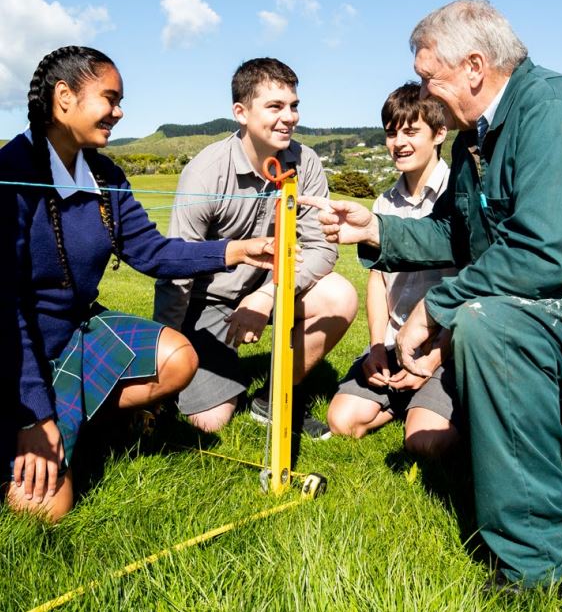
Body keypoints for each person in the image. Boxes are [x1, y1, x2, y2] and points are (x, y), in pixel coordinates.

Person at [302, 0, 562, 594]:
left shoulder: (555, 111)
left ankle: (539, 571)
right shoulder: (473, 144)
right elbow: (458, 236)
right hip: (555, 304)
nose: (424, 91)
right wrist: (377, 231)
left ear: (473, 66)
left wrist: (437, 310)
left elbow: (545, 250)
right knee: (553, 474)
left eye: (428, 77)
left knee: (488, 327)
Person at [0, 46, 276, 521]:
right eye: (110, 98)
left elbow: (150, 252)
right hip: (14, 354)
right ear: (64, 97)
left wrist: (233, 250)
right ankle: (50, 425)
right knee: (43, 508)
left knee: (177, 358)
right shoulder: (11, 175)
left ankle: (82, 423)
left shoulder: (105, 175)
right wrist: (33, 416)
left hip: (75, 337)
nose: (119, 111)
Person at [154, 58, 358, 439]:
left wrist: (268, 295)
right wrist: (161, 353)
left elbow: (322, 249)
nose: (289, 117)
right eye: (275, 107)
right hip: (208, 302)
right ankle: (205, 378)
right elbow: (176, 267)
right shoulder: (205, 171)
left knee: (340, 295)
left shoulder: (305, 162)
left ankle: (273, 399)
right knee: (210, 421)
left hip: (270, 289)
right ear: (241, 113)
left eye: (294, 105)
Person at [328, 83, 459, 457]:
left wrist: (434, 359)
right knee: (342, 421)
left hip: (445, 348)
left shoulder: (458, 195)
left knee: (426, 444)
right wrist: (376, 348)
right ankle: (404, 400)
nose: (399, 142)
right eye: (391, 132)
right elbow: (378, 281)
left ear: (440, 133)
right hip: (395, 342)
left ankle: (438, 404)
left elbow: (474, 287)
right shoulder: (383, 203)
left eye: (411, 131)